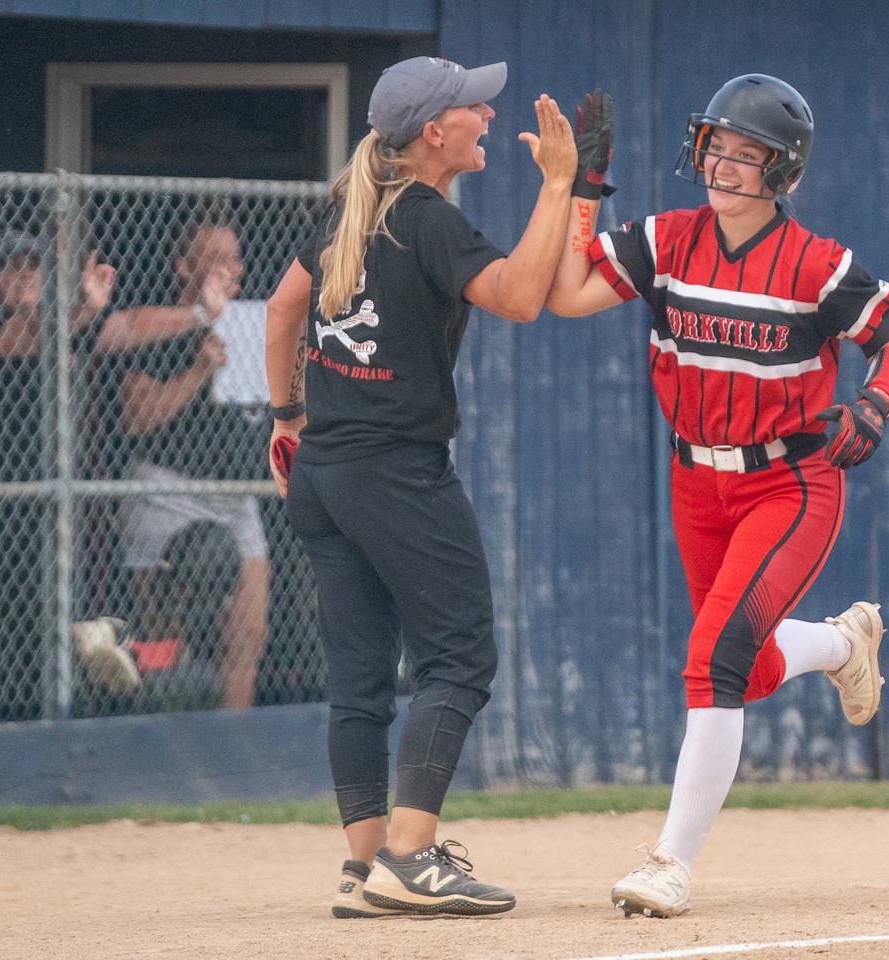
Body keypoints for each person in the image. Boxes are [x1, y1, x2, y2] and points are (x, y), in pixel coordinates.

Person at [546, 76, 889, 918]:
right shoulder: (667, 239)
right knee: (743, 669)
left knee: (711, 663)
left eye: (744, 152)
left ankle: (669, 863)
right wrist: (585, 190)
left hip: (790, 483)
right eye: (715, 144)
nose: (721, 161)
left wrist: (876, 401)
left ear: (781, 172)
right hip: (695, 481)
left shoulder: (818, 264)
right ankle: (840, 646)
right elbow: (564, 294)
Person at [263, 56, 577, 919]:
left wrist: (289, 416)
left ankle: (364, 866)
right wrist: (559, 185)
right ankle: (410, 856)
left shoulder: (351, 210)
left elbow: (283, 308)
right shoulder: (428, 218)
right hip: (394, 473)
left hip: (325, 474)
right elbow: (518, 298)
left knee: (360, 679)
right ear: (434, 132)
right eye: (472, 106)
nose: (485, 113)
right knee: (461, 655)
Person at [0, 229, 233, 725]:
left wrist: (199, 314)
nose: (25, 275)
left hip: (52, 510)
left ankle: (68, 710)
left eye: (34, 266)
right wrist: (85, 313)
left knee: (64, 623)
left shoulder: (66, 324)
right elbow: (22, 341)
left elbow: (130, 326)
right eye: (13, 267)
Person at [115, 221, 268, 710]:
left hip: (236, 494)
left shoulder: (254, 322)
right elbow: (137, 418)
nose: (229, 267)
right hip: (168, 489)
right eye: (215, 256)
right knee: (166, 642)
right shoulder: (161, 325)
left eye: (235, 258)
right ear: (183, 265)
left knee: (247, 637)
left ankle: (234, 759)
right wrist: (200, 370)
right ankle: (171, 763)